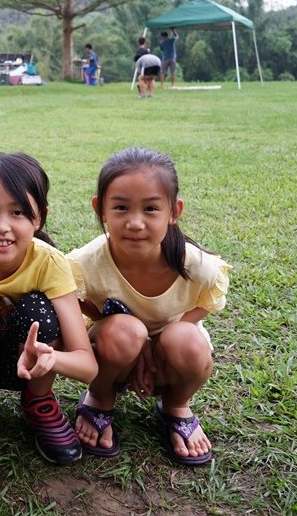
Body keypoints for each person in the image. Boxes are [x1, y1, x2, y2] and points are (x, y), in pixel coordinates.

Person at [67, 147, 229, 466]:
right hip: (113, 348)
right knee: (126, 332)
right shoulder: (84, 263)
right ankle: (100, 396)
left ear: (174, 211)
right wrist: (132, 338)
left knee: (189, 340)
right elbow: (73, 302)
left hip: (167, 352)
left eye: (151, 208)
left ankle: (176, 405)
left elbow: (209, 302)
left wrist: (155, 342)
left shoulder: (198, 266)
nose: (136, 223)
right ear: (100, 209)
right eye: (121, 207)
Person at [0, 152, 98, 465]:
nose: (1, 226)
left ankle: (39, 403)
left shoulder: (51, 263)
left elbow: (88, 365)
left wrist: (51, 358)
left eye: (17, 213)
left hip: (32, 368)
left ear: (39, 217)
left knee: (38, 309)